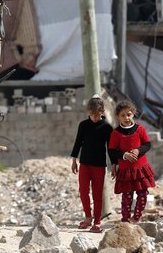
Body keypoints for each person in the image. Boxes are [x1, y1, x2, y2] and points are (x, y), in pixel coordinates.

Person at [71, 94, 114, 233]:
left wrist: (114, 165)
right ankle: (88, 217)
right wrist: (74, 160)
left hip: (99, 166)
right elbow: (78, 143)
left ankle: (97, 221)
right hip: (84, 164)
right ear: (88, 112)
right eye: (92, 114)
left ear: (102, 112)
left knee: (97, 194)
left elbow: (111, 148)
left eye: (97, 114)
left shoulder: (107, 127)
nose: (95, 117)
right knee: (83, 191)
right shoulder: (83, 125)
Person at [108, 99, 155, 223]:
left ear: (133, 113)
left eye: (128, 114)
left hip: (140, 169)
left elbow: (147, 144)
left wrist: (138, 151)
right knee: (127, 197)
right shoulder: (116, 133)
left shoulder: (140, 129)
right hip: (125, 171)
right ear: (118, 117)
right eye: (123, 115)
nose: (126, 117)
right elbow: (112, 150)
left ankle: (137, 217)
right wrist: (124, 155)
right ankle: (125, 220)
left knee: (142, 195)